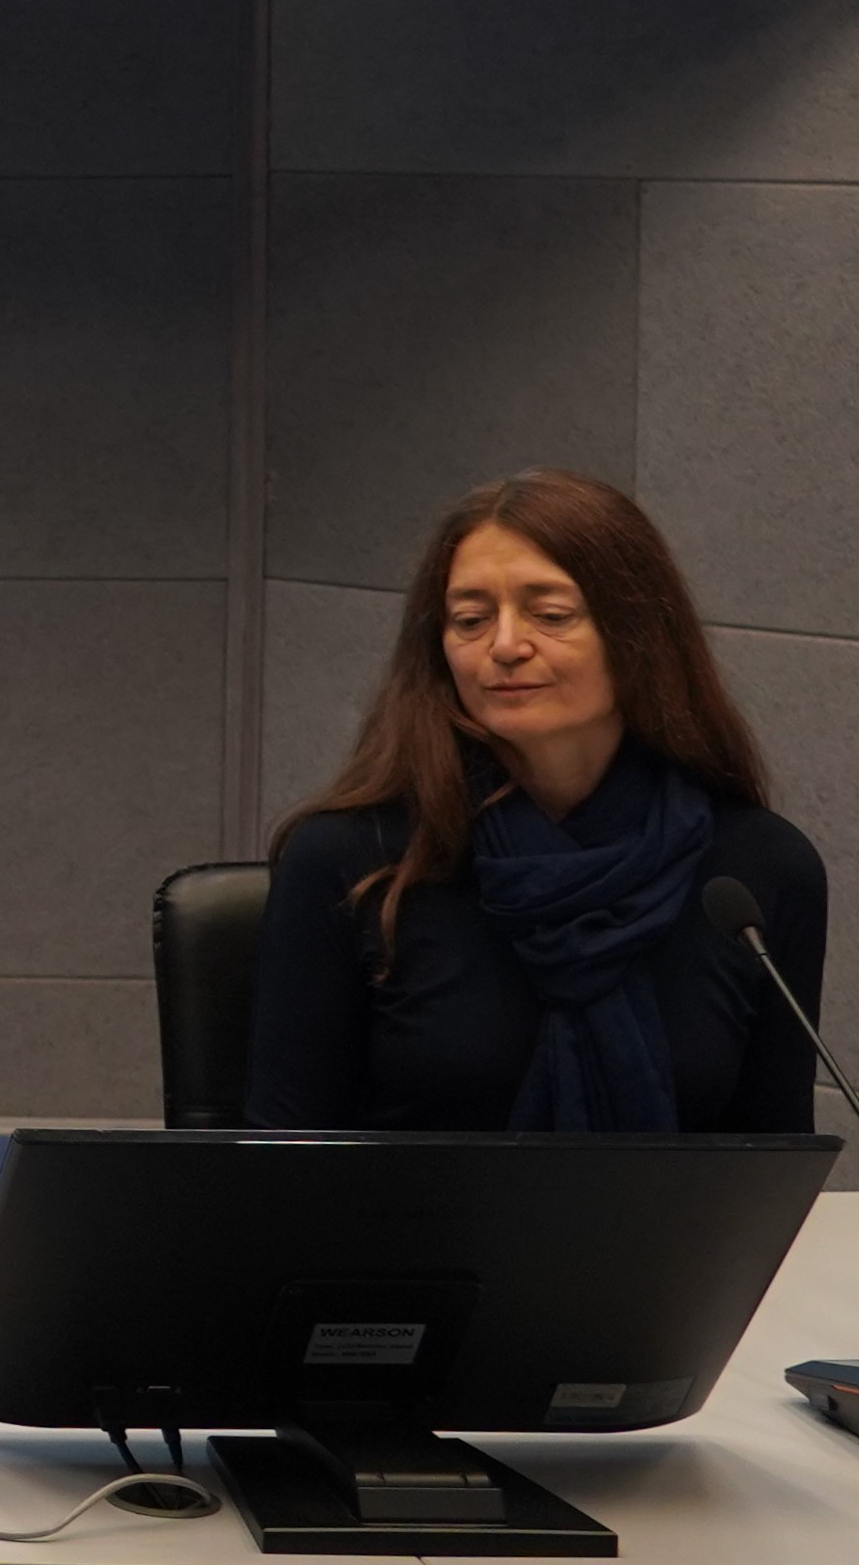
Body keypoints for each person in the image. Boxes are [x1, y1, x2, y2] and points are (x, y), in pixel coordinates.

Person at [246, 468, 824, 1133]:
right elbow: (279, 1161)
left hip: (669, 1211)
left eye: (550, 616)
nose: (505, 646)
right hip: (401, 1210)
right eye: (470, 620)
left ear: (638, 634)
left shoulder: (755, 873)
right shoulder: (350, 858)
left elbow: (774, 1169)